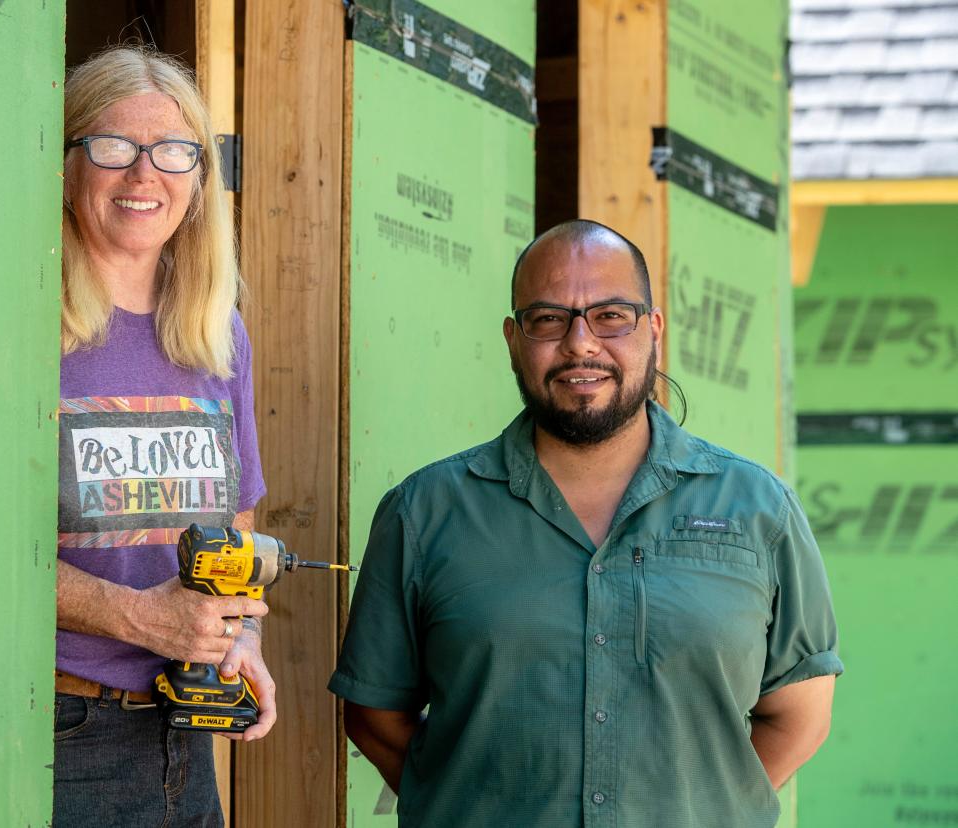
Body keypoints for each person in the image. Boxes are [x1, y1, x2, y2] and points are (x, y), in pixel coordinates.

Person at [330, 219, 842, 827]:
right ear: (513, 339)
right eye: (549, 319)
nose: (580, 343)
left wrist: (700, 804)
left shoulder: (758, 508)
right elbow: (374, 716)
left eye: (611, 315)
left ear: (653, 330)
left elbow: (798, 715)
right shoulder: (424, 512)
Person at [53, 46, 275, 828]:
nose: (145, 174)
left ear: (200, 177)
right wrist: (139, 618)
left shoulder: (218, 334)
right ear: (68, 161)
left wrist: (239, 639)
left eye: (176, 151)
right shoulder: (22, 323)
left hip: (185, 735)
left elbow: (233, 527)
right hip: (59, 735)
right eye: (114, 146)